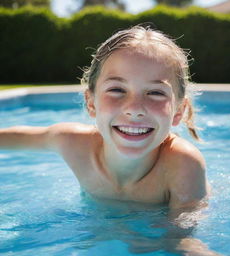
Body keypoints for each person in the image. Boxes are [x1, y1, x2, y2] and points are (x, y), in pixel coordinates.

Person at [0, 25, 209, 213]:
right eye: (117, 89)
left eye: (155, 93)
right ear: (91, 103)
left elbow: (182, 241)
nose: (134, 109)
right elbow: (17, 138)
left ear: (179, 110)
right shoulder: (72, 142)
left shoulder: (182, 164)